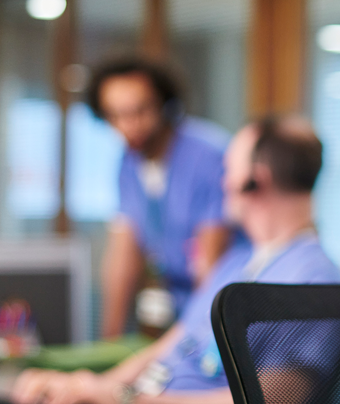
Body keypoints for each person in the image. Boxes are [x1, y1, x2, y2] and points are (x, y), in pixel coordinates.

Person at [13, 115, 340, 404]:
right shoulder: (236, 262)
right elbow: (168, 347)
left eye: (229, 169)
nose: (222, 180)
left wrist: (127, 401)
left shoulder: (315, 282)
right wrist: (86, 387)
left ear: (254, 178)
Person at [87, 57, 233, 338]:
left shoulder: (207, 156)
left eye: (139, 111)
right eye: (115, 115)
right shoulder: (127, 165)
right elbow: (123, 253)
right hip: (175, 310)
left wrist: (190, 343)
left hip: (217, 311)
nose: (128, 125)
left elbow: (209, 263)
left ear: (165, 104)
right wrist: (109, 341)